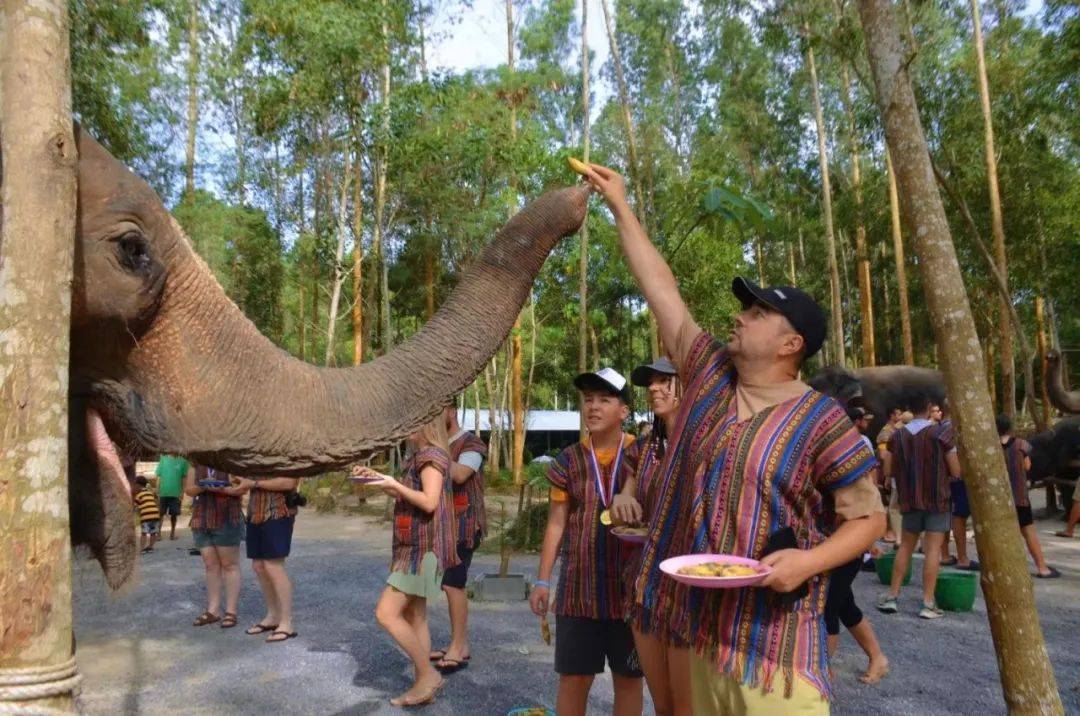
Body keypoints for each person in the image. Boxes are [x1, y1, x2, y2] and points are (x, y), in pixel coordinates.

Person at [583, 162, 883, 715]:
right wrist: (620, 204)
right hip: (685, 614)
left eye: (757, 312)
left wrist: (809, 561)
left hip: (769, 638)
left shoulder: (821, 419)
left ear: (792, 343)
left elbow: (868, 520)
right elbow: (662, 289)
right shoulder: (708, 373)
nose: (739, 318)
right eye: (744, 308)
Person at [529, 367, 644, 716]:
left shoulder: (645, 455)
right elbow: (556, 523)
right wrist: (543, 580)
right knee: (574, 679)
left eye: (604, 400)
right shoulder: (568, 460)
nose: (593, 407)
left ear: (624, 411)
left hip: (631, 592)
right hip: (579, 591)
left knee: (628, 678)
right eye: (588, 400)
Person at [360, 416, 458, 708]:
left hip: (420, 551)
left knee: (385, 613)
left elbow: (429, 501)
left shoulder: (430, 456)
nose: (403, 427)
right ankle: (421, 684)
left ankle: (427, 675)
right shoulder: (422, 455)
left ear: (426, 425)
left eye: (410, 422)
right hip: (414, 548)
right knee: (416, 617)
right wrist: (380, 482)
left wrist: (395, 485)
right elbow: (412, 495)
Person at [611, 357, 691, 716]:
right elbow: (622, 503)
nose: (654, 388)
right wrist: (622, 499)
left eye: (665, 381)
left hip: (691, 587)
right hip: (646, 584)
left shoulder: (707, 443)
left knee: (688, 706)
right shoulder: (643, 449)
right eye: (651, 383)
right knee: (662, 704)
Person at [877, 392, 959, 619]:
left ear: (909, 409)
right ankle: (927, 602)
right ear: (930, 406)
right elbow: (956, 470)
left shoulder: (897, 436)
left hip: (909, 499)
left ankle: (892, 596)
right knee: (932, 550)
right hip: (937, 498)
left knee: (905, 547)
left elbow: (887, 469)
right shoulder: (942, 433)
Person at [824, 407, 889, 685]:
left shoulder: (850, 451)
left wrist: (868, 541)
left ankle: (820, 673)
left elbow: (868, 504)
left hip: (846, 542)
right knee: (843, 602)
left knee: (828, 604)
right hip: (826, 542)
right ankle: (877, 657)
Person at [431, 400, 488, 673]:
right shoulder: (435, 446)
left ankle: (458, 647)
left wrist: (435, 446)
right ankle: (458, 644)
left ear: (452, 410)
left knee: (454, 585)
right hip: (443, 528)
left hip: (465, 528)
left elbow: (460, 474)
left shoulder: (472, 444)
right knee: (448, 584)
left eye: (437, 410)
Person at [237, 474, 301, 642]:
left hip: (279, 512)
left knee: (273, 565)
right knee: (258, 565)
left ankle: (286, 623)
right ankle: (273, 616)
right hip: (255, 513)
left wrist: (253, 483)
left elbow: (289, 481)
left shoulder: (287, 450)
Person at [185, 466, 248, 629]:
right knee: (210, 565)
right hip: (202, 517)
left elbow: (242, 489)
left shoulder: (229, 460)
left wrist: (223, 489)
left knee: (229, 565)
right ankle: (213, 610)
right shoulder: (196, 463)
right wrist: (202, 487)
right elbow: (189, 491)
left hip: (227, 516)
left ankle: (231, 611)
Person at [997, 415, 1060, 578]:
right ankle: (1042, 568)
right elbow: (1027, 466)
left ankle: (1005, 570)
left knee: (1003, 535)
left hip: (999, 499)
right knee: (1029, 532)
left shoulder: (991, 447)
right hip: (1019, 497)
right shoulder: (1020, 444)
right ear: (1010, 428)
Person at [939, 402, 978, 570]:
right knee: (959, 517)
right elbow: (954, 461)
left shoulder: (935, 429)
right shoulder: (954, 431)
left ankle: (945, 554)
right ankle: (962, 557)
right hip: (956, 481)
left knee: (945, 516)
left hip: (940, 481)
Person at [876, 408, 904, 545]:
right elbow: (883, 454)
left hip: (895, 473)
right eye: (897, 414)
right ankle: (889, 533)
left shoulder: (898, 430)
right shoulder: (886, 432)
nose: (900, 416)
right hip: (888, 473)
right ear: (891, 415)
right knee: (892, 506)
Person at [155, 454, 190, 541]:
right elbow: (159, 476)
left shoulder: (183, 461)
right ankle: (158, 534)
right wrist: (157, 489)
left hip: (176, 493)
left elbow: (184, 478)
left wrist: (182, 491)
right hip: (163, 492)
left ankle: (172, 533)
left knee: (174, 515)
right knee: (160, 514)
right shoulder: (163, 459)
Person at [133, 475, 161, 554]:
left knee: (144, 533)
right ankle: (150, 547)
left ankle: (142, 548)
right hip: (155, 515)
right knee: (153, 532)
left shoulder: (138, 495)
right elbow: (155, 501)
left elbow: (135, 507)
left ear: (138, 485)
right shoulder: (150, 493)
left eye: (134, 485)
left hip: (146, 516)